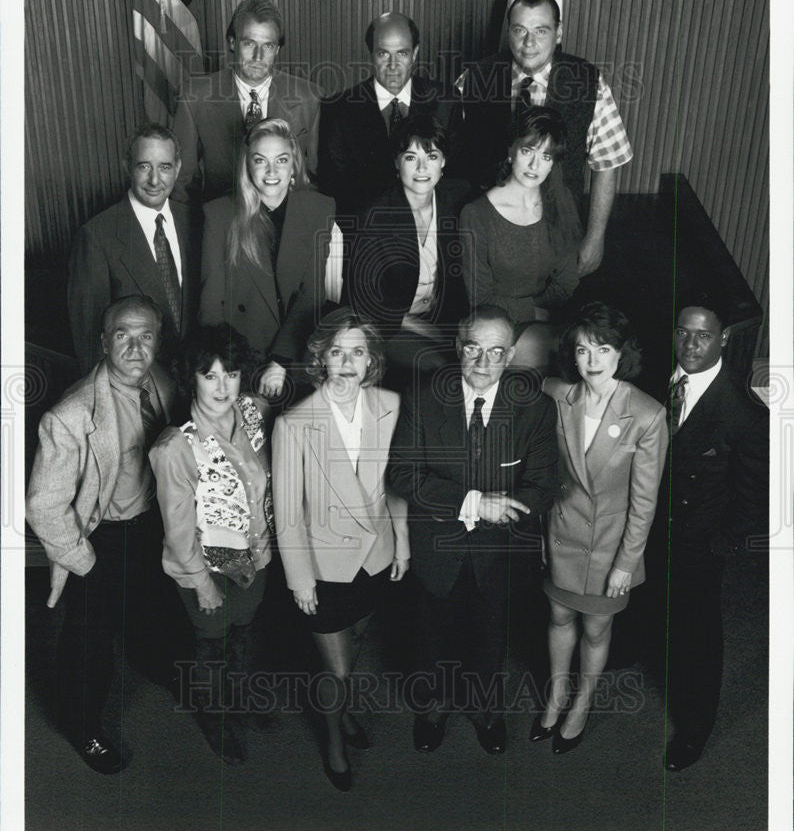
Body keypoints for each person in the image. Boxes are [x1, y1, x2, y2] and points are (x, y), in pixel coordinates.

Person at [388, 305, 557, 756]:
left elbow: (542, 488)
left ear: (512, 354)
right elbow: (402, 476)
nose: (484, 364)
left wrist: (502, 512)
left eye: (497, 352)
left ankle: (486, 712)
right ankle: (431, 709)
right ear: (458, 347)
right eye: (474, 350)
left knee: (489, 639)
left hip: (499, 553)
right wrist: (476, 503)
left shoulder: (537, 408)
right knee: (430, 639)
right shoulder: (423, 396)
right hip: (435, 550)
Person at [26, 296, 179, 773]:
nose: (135, 348)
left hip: (151, 523)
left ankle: (152, 660)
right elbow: (43, 506)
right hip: (98, 538)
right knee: (89, 643)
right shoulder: (70, 415)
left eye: (146, 335)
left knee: (152, 607)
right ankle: (83, 725)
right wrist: (85, 562)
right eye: (122, 335)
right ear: (102, 341)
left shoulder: (164, 381)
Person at [272, 308, 410, 791]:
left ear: (370, 359)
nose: (347, 362)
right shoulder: (293, 424)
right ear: (321, 358)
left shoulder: (390, 404)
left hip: (375, 557)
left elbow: (395, 485)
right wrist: (300, 580)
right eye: (337, 352)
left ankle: (344, 714)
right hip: (324, 569)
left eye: (358, 352)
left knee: (356, 647)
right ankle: (334, 738)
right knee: (338, 668)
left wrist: (403, 545)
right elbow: (287, 512)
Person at [536, 302, 667, 753]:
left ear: (620, 354)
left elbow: (644, 503)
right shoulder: (560, 396)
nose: (591, 362)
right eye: (582, 351)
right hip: (562, 535)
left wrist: (625, 565)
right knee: (558, 616)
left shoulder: (647, 415)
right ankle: (556, 693)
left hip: (609, 547)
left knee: (595, 628)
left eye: (602, 350)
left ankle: (582, 702)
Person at [648, 295, 768, 771]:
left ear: (724, 339)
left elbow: (754, 496)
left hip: (697, 542)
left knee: (696, 636)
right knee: (647, 608)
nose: (690, 343)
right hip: (644, 527)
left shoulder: (743, 412)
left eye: (702, 335)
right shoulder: (654, 381)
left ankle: (694, 728)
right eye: (683, 331)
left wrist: (719, 543)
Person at [149, 324, 273, 766]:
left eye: (231, 373)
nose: (222, 385)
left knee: (243, 636)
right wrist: (201, 585)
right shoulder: (174, 447)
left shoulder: (252, 413)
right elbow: (178, 533)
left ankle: (238, 700)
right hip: (207, 568)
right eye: (210, 375)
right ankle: (215, 719)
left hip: (255, 558)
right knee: (211, 647)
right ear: (192, 378)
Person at [458, 0, 632, 276]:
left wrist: (595, 238)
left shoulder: (587, 80)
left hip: (558, 234)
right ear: (509, 32)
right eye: (519, 31)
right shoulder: (476, 77)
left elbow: (608, 162)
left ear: (559, 32)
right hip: (491, 235)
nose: (529, 43)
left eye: (541, 31)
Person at [199, 117, 341, 401]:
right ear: (247, 166)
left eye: (281, 159)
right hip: (239, 355)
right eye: (260, 160)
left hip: (296, 350)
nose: (272, 171)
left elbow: (310, 294)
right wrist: (227, 370)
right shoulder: (219, 214)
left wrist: (280, 362)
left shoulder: (319, 209)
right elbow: (212, 305)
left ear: (294, 165)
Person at [349, 114, 471, 386]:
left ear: (444, 162)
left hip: (447, 319)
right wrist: (431, 332)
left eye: (432, 156)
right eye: (410, 157)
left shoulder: (460, 199)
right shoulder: (375, 214)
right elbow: (365, 300)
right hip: (391, 325)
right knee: (441, 367)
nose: (422, 168)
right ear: (396, 162)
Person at [68, 123, 199, 374]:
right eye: (144, 166)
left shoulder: (196, 221)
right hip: (137, 390)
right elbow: (90, 339)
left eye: (164, 167)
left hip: (194, 384)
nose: (154, 180)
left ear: (178, 168)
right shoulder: (96, 236)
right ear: (128, 166)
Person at [460, 106, 581, 370]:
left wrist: (537, 314)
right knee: (569, 354)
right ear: (511, 151)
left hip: (547, 321)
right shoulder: (476, 214)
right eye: (528, 151)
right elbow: (480, 298)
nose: (535, 165)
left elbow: (566, 282)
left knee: (585, 350)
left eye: (546, 156)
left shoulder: (562, 203)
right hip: (492, 327)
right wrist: (534, 312)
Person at [317, 11, 462, 231]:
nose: (393, 65)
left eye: (402, 53)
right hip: (366, 234)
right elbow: (334, 188)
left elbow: (457, 176)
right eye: (383, 54)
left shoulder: (446, 101)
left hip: (432, 231)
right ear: (371, 55)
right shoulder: (339, 108)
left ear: (415, 53)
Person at [172, 0, 322, 205]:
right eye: (249, 43)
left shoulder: (310, 98)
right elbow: (183, 182)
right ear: (233, 42)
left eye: (268, 46)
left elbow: (314, 178)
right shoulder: (194, 97)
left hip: (288, 226)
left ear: (277, 49)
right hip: (222, 226)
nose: (258, 56)